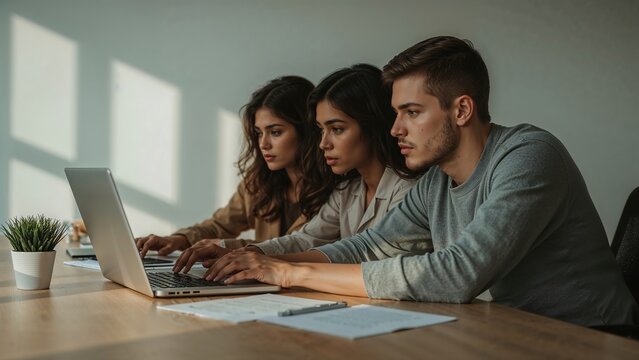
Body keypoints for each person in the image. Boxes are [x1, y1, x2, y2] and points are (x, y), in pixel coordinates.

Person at [198, 36, 639, 327]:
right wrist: (258, 259)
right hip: (515, 332)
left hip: (597, 338)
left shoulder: (528, 157)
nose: (395, 130)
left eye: (412, 113)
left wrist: (291, 273)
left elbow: (457, 274)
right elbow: (366, 245)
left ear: (461, 110)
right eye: (396, 114)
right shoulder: (435, 183)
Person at [173, 64, 426, 273]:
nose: (324, 143)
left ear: (373, 126)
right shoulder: (348, 188)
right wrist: (250, 252)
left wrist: (269, 263)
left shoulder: (410, 190)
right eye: (321, 130)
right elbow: (306, 239)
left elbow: (366, 254)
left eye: (337, 129)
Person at [132, 75, 330, 257]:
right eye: (259, 133)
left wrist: (224, 246)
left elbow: (297, 246)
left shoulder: (337, 190)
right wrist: (179, 239)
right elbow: (220, 225)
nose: (263, 144)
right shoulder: (259, 182)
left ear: (308, 131)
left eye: (275, 132)